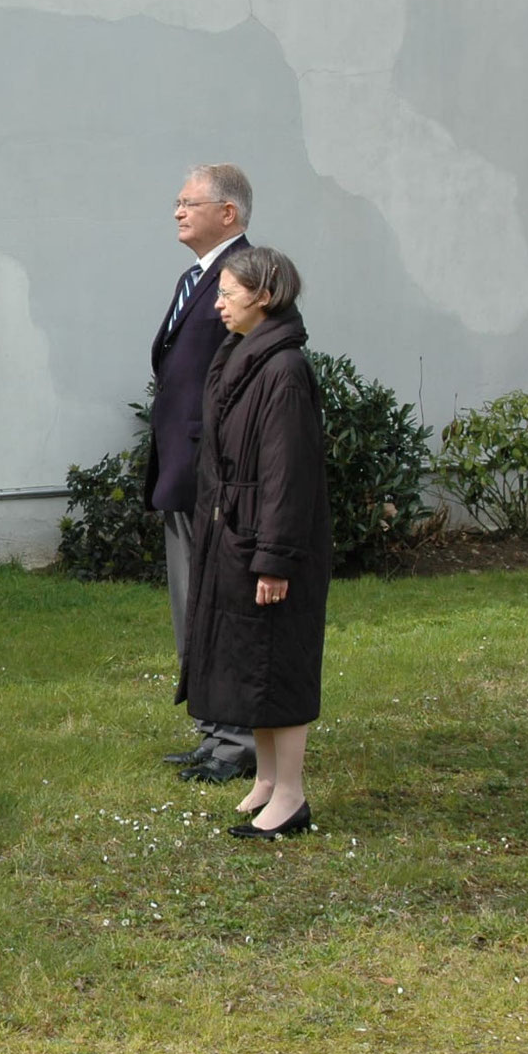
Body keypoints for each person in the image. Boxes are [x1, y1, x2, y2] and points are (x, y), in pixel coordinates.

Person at [176, 245, 330, 840]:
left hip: (268, 539)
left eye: (227, 293)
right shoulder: (242, 355)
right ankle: (265, 780)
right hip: (238, 532)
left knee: (276, 665)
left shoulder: (284, 371)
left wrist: (275, 559)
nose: (217, 304)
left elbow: (287, 473)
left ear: (264, 297)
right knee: (251, 663)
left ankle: (290, 796)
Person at [148, 163, 257, 783]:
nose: (178, 211)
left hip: (217, 472)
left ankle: (236, 741)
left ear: (229, 213)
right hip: (183, 468)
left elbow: (243, 373)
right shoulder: (196, 277)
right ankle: (214, 730)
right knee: (191, 602)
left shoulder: (242, 275)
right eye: (178, 200)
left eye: (190, 202)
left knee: (219, 604)